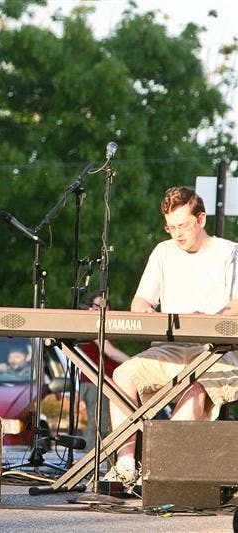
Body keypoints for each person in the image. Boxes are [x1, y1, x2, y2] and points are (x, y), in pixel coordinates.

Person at [105, 186, 238, 492]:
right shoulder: (163, 252)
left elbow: (236, 306)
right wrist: (148, 311)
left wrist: (205, 319)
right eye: (171, 226)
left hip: (219, 351)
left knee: (194, 385)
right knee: (123, 374)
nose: (177, 234)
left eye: (183, 225)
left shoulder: (230, 252)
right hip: (171, 347)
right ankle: (125, 467)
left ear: (200, 219)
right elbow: (140, 302)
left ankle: (167, 471)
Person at [75, 294, 131, 453]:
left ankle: (101, 461)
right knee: (99, 424)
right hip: (95, 383)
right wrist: (135, 363)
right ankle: (88, 463)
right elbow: (111, 352)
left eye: (103, 307)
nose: (98, 310)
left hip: (103, 382)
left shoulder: (105, 328)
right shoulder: (94, 326)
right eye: (95, 306)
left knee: (104, 424)